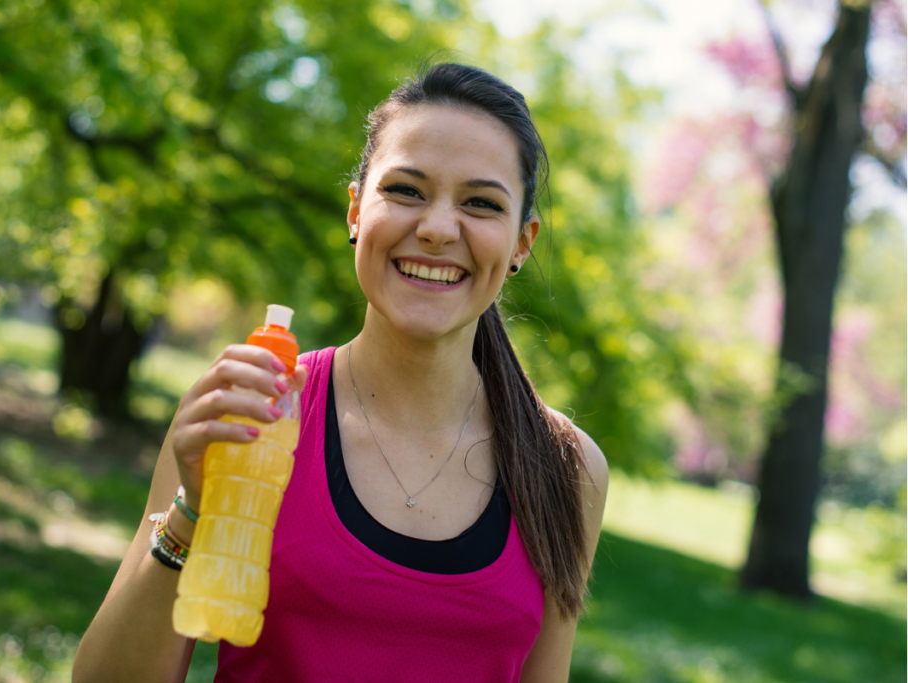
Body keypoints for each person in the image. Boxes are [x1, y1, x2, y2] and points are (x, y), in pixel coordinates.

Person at [73, 62, 608, 682]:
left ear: (522, 242)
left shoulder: (567, 469)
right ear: (355, 211)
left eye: (481, 203)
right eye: (405, 190)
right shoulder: (251, 411)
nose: (436, 229)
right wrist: (192, 511)